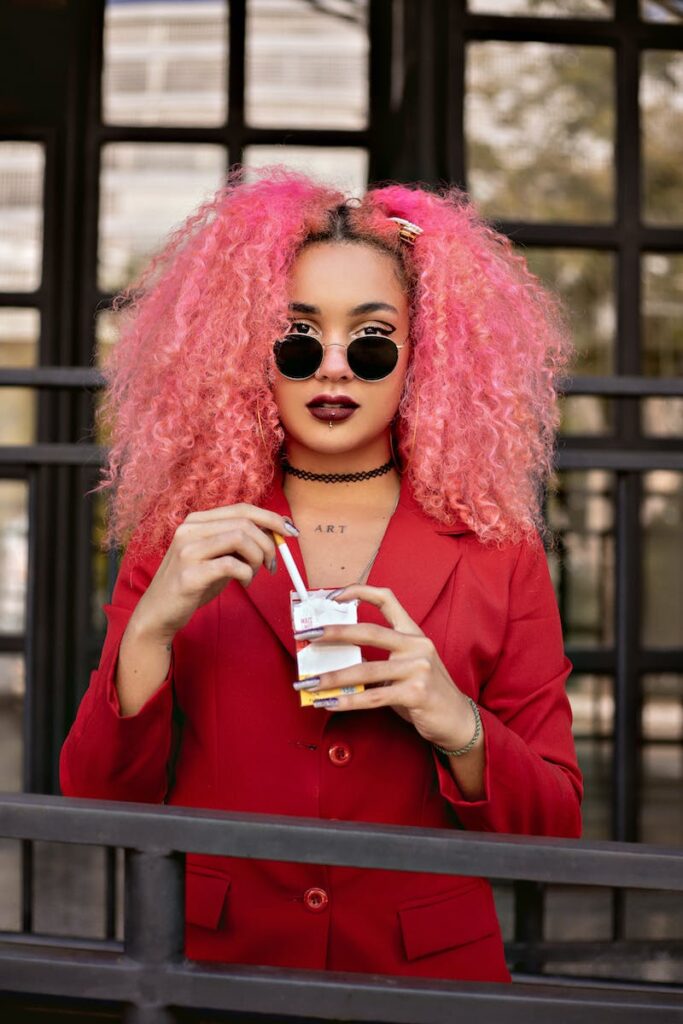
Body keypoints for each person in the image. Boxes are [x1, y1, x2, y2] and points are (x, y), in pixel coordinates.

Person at [60, 165, 582, 983]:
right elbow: (96, 803)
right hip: (219, 974)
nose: (332, 367)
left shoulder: (497, 548)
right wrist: (151, 629)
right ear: (246, 350)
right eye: (297, 337)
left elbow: (553, 832)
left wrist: (457, 723)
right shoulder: (181, 534)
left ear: (425, 356)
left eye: (370, 342)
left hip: (424, 984)